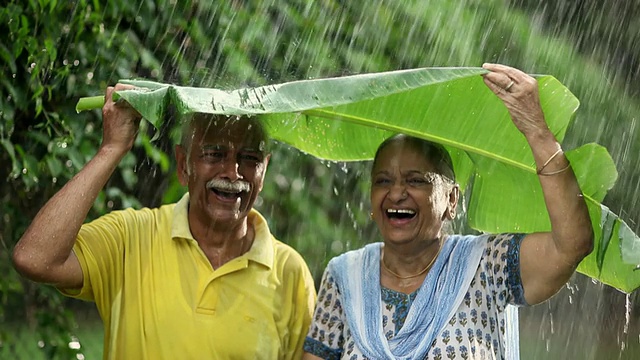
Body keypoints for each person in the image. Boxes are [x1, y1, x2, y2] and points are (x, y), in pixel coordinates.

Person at [302, 63, 594, 360]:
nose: (396, 193)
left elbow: (572, 245)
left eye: (416, 180)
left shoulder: (485, 265)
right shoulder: (344, 276)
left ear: (451, 200)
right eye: (383, 181)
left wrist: (537, 131)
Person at [12, 84, 316, 359]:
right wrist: (111, 149)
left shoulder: (290, 273)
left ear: (264, 170)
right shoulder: (131, 238)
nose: (233, 173)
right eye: (214, 154)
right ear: (183, 166)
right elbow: (34, 258)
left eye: (249, 159)